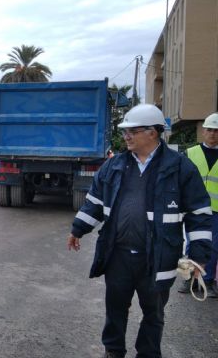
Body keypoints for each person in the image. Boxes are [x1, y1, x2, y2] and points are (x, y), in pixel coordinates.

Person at [67, 104, 212, 358]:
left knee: (153, 313)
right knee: (115, 308)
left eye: (132, 131)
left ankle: (148, 353)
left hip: (158, 257)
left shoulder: (180, 168)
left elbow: (198, 214)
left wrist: (198, 256)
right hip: (118, 254)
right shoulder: (114, 166)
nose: (126, 137)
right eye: (125, 132)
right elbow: (95, 201)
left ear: (153, 133)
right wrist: (78, 229)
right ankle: (113, 350)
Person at [178, 112, 218, 298]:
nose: (213, 134)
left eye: (217, 131)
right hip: (193, 208)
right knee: (191, 244)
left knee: (212, 246)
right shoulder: (190, 154)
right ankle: (189, 279)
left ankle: (207, 281)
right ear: (203, 132)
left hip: (216, 210)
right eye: (210, 130)